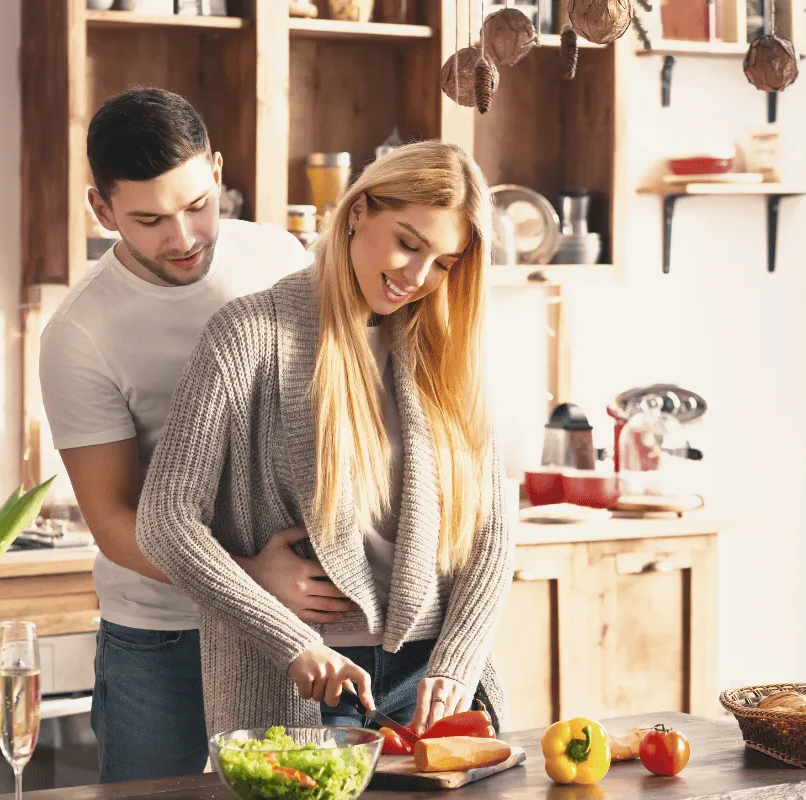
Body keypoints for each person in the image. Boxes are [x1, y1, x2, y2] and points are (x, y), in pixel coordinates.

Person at [136, 140, 514, 737]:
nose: (417, 277)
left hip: (435, 680)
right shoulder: (248, 337)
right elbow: (164, 520)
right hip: (305, 675)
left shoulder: (447, 353)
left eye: (443, 263)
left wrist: (458, 663)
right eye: (408, 243)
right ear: (358, 211)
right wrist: (288, 639)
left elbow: (491, 533)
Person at [38, 88, 357, 782]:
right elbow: (114, 521)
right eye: (148, 220)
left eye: (197, 205)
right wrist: (248, 578)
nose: (182, 238)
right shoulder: (80, 335)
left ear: (216, 172)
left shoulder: (279, 255)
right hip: (163, 639)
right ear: (101, 209)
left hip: (301, 623)